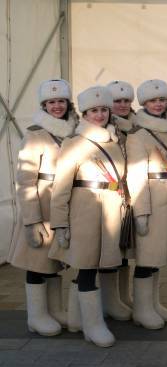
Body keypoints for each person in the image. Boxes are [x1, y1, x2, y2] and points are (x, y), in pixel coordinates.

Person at [49, 85, 125, 347]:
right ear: (84, 113)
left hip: (110, 212)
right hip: (84, 214)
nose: (100, 115)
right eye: (94, 110)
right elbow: (61, 188)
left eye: (104, 109)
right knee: (86, 267)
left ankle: (77, 319)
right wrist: (59, 224)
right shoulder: (74, 143)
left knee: (96, 265)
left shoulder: (114, 142)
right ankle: (93, 326)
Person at [8, 79, 77, 336]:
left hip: (62, 205)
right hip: (41, 205)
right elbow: (25, 180)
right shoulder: (35, 134)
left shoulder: (72, 132)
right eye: (51, 102)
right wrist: (31, 220)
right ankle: (36, 316)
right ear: (44, 105)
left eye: (61, 101)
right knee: (36, 261)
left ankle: (55, 310)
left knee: (55, 261)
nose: (57, 106)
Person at [127, 79, 167, 329]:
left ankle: (153, 303)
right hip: (151, 200)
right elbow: (136, 175)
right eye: (152, 100)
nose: (158, 104)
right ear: (144, 103)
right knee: (146, 257)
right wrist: (141, 212)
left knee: (158, 255)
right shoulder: (138, 135)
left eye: (161, 100)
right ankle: (141, 309)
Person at [95, 80, 136, 320]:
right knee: (108, 249)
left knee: (125, 248)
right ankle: (109, 301)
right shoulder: (104, 126)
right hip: (111, 195)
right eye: (117, 101)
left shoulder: (138, 125)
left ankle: (122, 297)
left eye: (126, 101)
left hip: (132, 193)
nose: (122, 105)